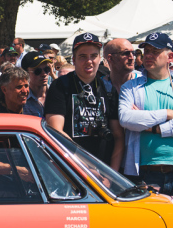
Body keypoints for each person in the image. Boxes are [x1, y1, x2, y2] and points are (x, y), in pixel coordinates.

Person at [117, 32, 173, 197]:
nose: (149, 55)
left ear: (170, 56)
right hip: (144, 172)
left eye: (155, 51)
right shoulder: (130, 87)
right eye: (147, 51)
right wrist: (168, 113)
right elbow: (126, 119)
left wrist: (155, 129)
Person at [46, 32, 123, 169]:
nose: (89, 61)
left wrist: (112, 175)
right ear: (74, 60)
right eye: (83, 56)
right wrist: (86, 166)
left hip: (103, 171)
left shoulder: (108, 88)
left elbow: (118, 136)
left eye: (93, 56)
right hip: (71, 168)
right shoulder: (60, 86)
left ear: (100, 59)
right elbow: (55, 130)